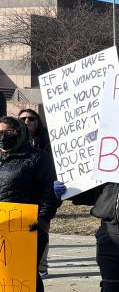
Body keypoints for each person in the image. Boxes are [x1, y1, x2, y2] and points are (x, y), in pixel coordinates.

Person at [0, 117, 59, 292]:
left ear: (18, 132)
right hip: (1, 225)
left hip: (28, 224)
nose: (2, 138)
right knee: (3, 271)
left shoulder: (37, 158)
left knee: (27, 271)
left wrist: (43, 219)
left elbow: (50, 192)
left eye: (7, 132)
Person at [18, 108, 53, 278]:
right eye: (22, 119)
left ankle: (41, 265)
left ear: (38, 121)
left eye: (31, 119)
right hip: (21, 196)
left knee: (41, 231)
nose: (27, 122)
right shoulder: (14, 142)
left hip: (40, 196)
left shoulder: (47, 142)